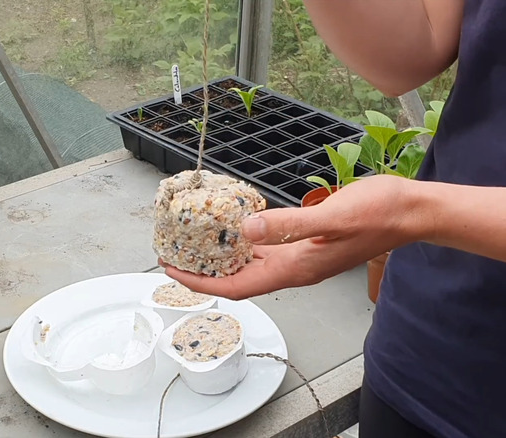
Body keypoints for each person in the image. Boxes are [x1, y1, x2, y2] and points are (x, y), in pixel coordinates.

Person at [161, 1, 506, 437]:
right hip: (428, 344)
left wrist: (417, 212)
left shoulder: (417, 213)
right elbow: (412, 52)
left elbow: (414, 211)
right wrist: (416, 215)